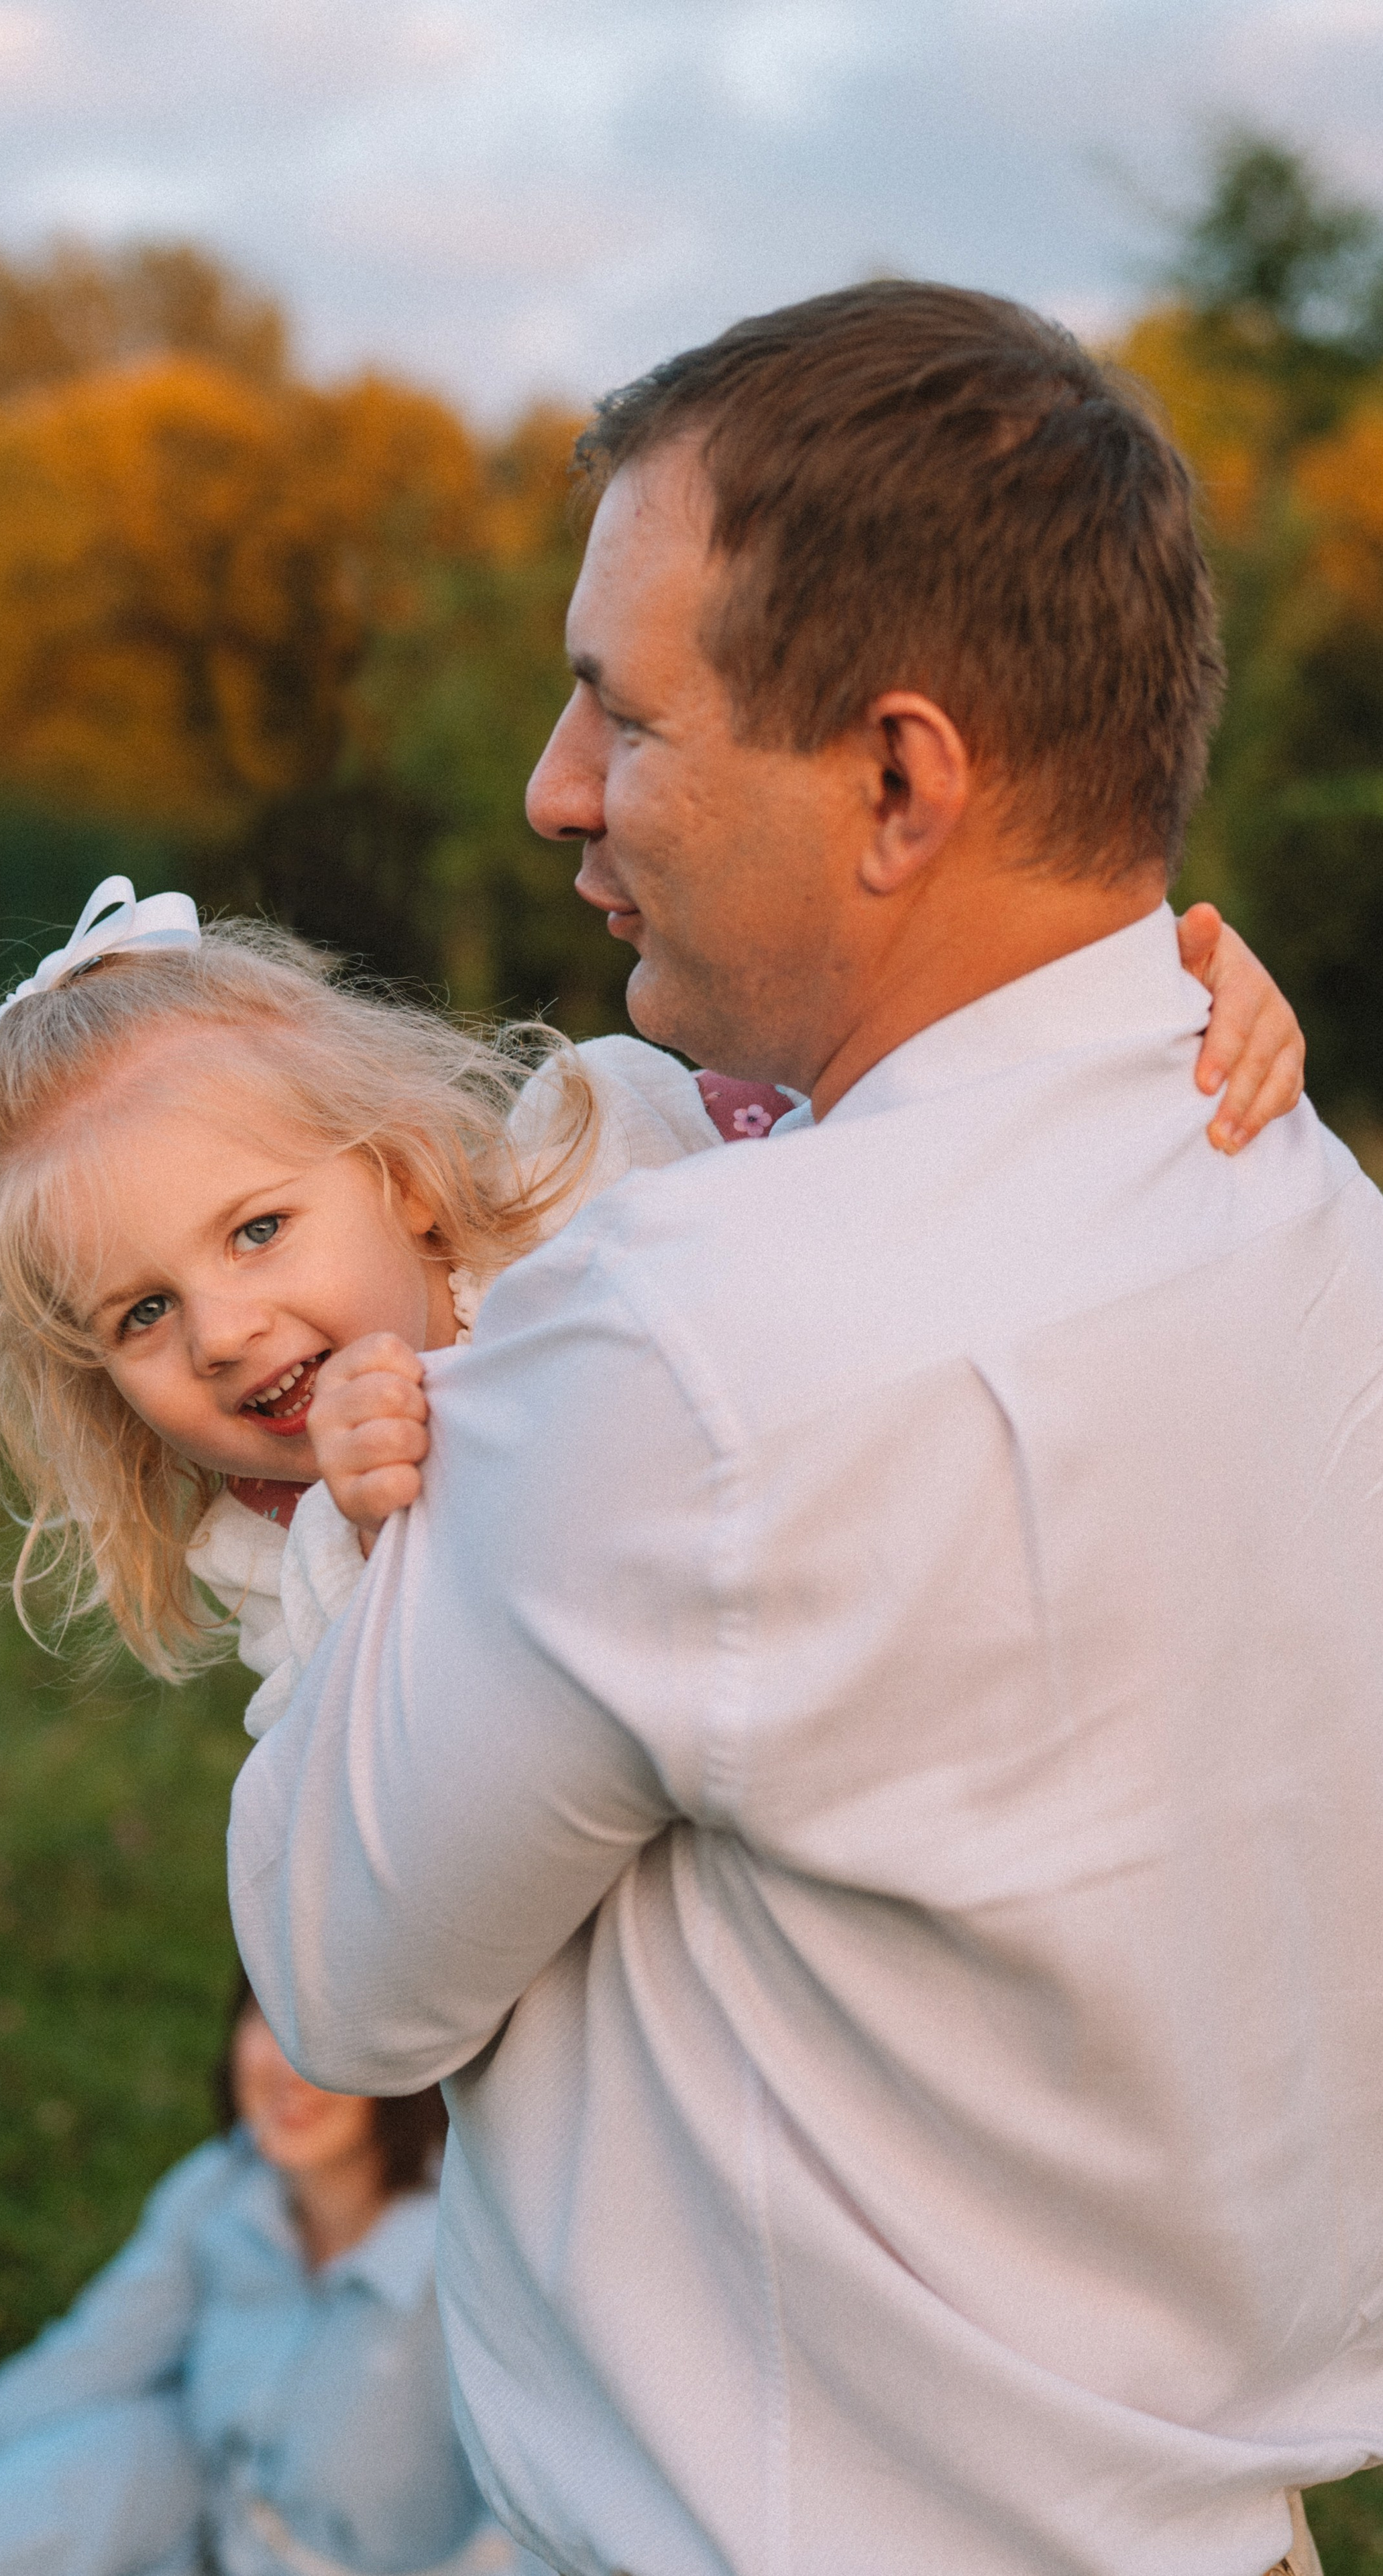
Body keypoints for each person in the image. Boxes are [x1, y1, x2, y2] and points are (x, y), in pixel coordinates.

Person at [227, 282, 1383, 2576]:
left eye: (621, 713)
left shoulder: (696, 1346)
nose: (557, 786)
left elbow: (346, 1978)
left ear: (900, 780)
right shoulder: (1296, 1195)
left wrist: (366, 1500)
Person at [0, 877, 1296, 1704]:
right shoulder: (270, 1545)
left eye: (257, 1230)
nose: (219, 1333)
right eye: (138, 1315)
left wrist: (1142, 1004)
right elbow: (349, 1765)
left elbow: (892, 1129)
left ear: (393, 1175)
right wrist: (365, 1526)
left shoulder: (601, 1154)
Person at [0, 1984, 529, 2576]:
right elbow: (90, 2359)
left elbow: (542, 2522)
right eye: (267, 2020)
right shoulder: (220, 2189)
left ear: (404, 2068)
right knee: (76, 2470)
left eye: (323, 2042)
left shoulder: (470, 2257)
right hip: (192, 2521)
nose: (288, 2070)